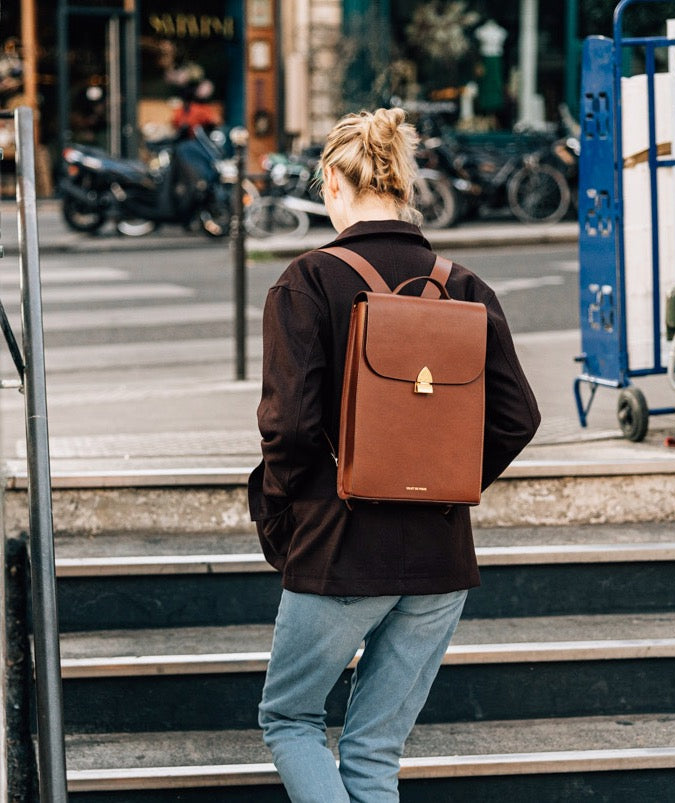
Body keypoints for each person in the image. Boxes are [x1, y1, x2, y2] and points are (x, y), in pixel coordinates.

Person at [250, 107, 540, 802]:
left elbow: (288, 426)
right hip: (440, 557)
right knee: (375, 748)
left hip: (339, 542)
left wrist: (284, 516)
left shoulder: (308, 281)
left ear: (332, 183)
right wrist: (440, 480)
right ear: (403, 185)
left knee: (289, 718)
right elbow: (517, 416)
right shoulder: (463, 284)